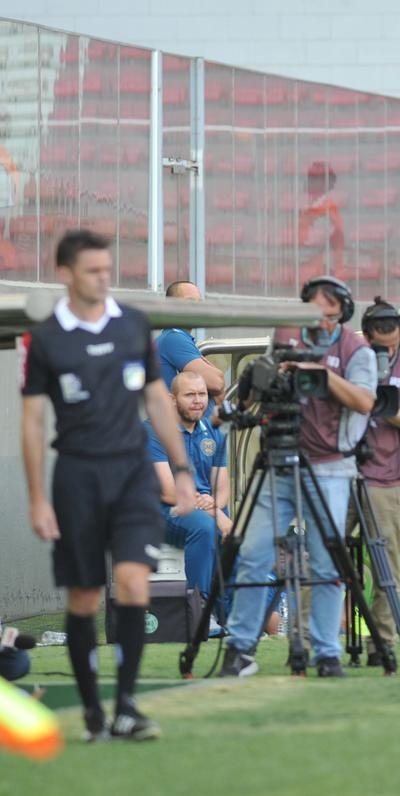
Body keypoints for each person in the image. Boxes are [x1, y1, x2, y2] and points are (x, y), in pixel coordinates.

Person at [20, 229, 198, 741]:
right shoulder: (47, 338)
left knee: (133, 580)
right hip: (76, 475)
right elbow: (33, 422)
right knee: (83, 595)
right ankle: (94, 714)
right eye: (93, 271)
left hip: (131, 475)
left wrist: (182, 471)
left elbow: (158, 401)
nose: (104, 278)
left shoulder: (133, 326)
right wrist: (36, 497)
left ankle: (125, 705)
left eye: (107, 269)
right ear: (66, 275)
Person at [221, 275, 376, 678]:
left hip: (329, 467)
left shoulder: (355, 348)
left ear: (341, 310)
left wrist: (320, 374)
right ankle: (240, 649)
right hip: (278, 461)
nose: (320, 320)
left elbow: (364, 401)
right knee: (253, 555)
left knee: (326, 564)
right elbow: (260, 385)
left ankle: (326, 652)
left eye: (327, 311)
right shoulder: (287, 336)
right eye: (312, 310)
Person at [344, 297, 400, 665]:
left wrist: (377, 406)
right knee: (323, 554)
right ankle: (320, 639)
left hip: (387, 475)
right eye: (379, 333)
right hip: (344, 468)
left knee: (386, 564)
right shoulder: (353, 359)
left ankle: (381, 643)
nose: (386, 341)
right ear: (366, 333)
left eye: (392, 332)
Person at [144, 371, 232, 609]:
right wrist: (215, 513)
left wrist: (214, 507)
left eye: (202, 394)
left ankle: (231, 616)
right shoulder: (154, 430)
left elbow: (223, 487)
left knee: (239, 534)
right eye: (190, 395)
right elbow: (167, 492)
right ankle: (199, 609)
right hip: (166, 511)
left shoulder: (214, 429)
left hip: (207, 508)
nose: (198, 400)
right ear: (172, 399)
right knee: (205, 528)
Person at [157, 280, 226, 401]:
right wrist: (218, 374)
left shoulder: (178, 338)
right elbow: (217, 383)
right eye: (190, 302)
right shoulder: (174, 339)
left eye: (200, 303)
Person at [298, 161, 345, 276]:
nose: (313, 183)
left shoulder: (329, 209)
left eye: (318, 179)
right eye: (312, 178)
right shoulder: (307, 207)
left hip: (320, 268)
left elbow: (318, 241)